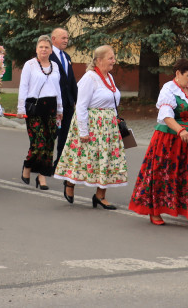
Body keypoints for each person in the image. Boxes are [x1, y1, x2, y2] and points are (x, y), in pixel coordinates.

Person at [129, 59, 188, 229]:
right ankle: (155, 210)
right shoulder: (169, 89)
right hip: (170, 140)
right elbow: (166, 115)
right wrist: (180, 130)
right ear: (178, 74)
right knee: (163, 173)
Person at [54, 45, 128, 209]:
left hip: (108, 126)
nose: (114, 61)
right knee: (83, 159)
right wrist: (83, 131)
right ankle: (70, 183)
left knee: (106, 160)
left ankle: (100, 196)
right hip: (92, 125)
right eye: (110, 58)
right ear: (99, 60)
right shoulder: (90, 78)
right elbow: (80, 106)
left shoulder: (109, 77)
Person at [18, 35, 63, 190]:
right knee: (39, 143)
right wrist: (20, 108)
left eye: (47, 47)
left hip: (51, 107)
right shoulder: (29, 65)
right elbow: (23, 86)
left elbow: (58, 89)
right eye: (41, 47)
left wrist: (60, 109)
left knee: (49, 143)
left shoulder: (55, 66)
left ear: (51, 50)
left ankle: (42, 176)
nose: (44, 50)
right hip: (34, 107)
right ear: (36, 49)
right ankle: (27, 166)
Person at [49, 27, 78, 166]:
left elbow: (71, 80)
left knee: (65, 135)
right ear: (53, 39)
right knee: (51, 134)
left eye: (67, 38)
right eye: (63, 38)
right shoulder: (48, 56)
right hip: (52, 103)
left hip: (67, 103)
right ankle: (43, 163)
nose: (66, 41)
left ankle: (60, 163)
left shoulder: (66, 57)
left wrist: (76, 100)